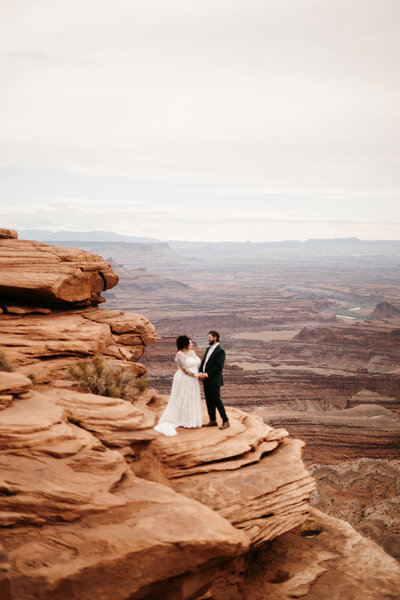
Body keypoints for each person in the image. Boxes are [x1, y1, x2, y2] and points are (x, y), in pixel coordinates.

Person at [154, 335, 202, 436]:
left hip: (193, 380)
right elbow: (183, 369)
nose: (192, 344)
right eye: (190, 342)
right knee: (183, 397)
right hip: (184, 379)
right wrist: (195, 375)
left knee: (190, 398)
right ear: (185, 344)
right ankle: (181, 418)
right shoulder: (179, 355)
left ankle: (190, 419)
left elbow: (196, 363)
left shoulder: (192, 353)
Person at [198, 330, 229, 430]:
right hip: (206, 380)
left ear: (215, 338)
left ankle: (225, 420)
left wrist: (206, 374)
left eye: (210, 337)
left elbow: (218, 367)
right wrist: (200, 372)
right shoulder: (208, 349)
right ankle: (212, 420)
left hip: (214, 380)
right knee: (209, 401)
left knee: (216, 400)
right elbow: (204, 362)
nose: (208, 339)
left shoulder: (220, 351)